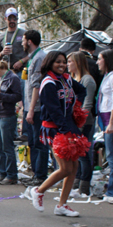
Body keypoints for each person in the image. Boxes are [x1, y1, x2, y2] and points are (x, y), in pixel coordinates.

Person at [29, 51, 86, 217]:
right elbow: (54, 110)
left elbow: (82, 90)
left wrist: (76, 108)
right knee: (65, 168)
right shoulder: (48, 83)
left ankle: (62, 205)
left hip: (68, 125)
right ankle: (38, 191)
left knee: (74, 167)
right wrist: (65, 130)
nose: (62, 65)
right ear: (49, 63)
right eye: (57, 62)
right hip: (55, 128)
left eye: (64, 62)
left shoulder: (66, 79)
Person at [96, 50, 113, 202]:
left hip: (109, 118)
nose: (97, 62)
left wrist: (112, 121)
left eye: (99, 59)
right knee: (111, 154)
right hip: (104, 117)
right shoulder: (107, 76)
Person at [67, 52, 97, 196]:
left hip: (84, 122)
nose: (67, 64)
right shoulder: (73, 79)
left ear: (77, 62)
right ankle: (76, 181)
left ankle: (84, 185)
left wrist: (81, 122)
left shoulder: (87, 80)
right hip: (73, 120)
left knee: (83, 153)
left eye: (70, 61)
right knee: (76, 154)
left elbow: (87, 103)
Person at [23, 30, 48, 186]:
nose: (22, 43)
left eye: (23, 40)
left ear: (29, 42)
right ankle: (35, 173)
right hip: (29, 106)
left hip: (37, 108)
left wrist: (31, 109)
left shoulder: (39, 58)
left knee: (39, 143)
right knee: (32, 142)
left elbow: (36, 86)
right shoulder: (32, 58)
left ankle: (40, 175)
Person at [0, 8, 28, 80]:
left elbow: (32, 53)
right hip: (7, 73)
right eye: (9, 18)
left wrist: (22, 61)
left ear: (17, 19)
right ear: (5, 19)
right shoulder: (2, 36)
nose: (12, 21)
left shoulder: (24, 34)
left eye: (14, 18)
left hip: (21, 72)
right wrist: (2, 53)